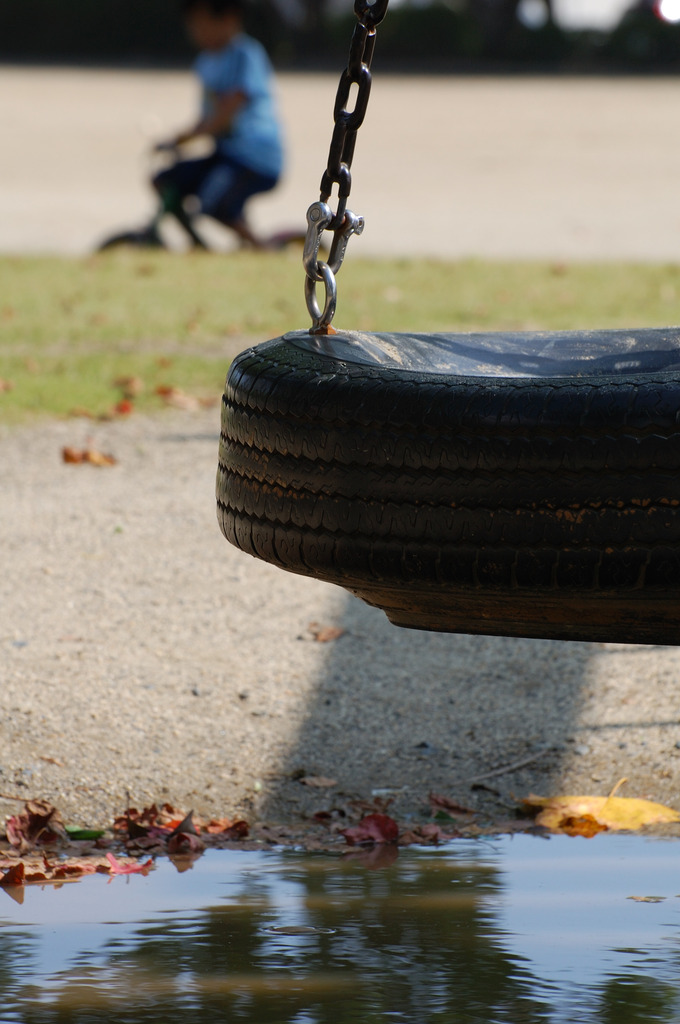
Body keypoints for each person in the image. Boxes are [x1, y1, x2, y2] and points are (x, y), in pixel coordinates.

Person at [151, 0, 284, 249]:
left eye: (203, 25)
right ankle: (198, 244)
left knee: (216, 204)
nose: (196, 32)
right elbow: (208, 117)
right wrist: (177, 139)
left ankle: (262, 248)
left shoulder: (245, 54)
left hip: (253, 157)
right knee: (165, 180)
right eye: (192, 26)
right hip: (225, 154)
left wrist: (187, 137)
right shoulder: (206, 61)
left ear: (230, 19)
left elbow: (226, 113)